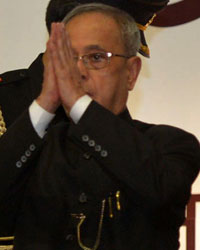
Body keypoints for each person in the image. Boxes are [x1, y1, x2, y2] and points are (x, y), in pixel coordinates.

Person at [0, 1, 200, 250]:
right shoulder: (38, 145)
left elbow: (157, 188)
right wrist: (45, 102)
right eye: (69, 59)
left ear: (131, 73)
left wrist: (77, 102)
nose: (79, 71)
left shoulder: (169, 144)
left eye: (96, 58)